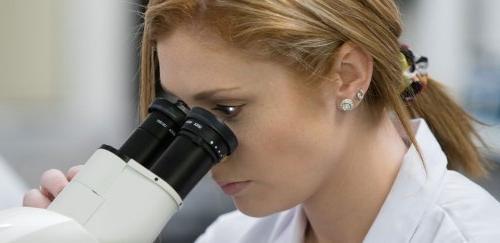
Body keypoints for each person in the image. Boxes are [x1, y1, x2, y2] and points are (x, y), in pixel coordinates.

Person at [23, 1, 500, 242]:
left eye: (227, 112)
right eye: (184, 115)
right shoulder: (231, 237)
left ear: (347, 76)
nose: (208, 150)